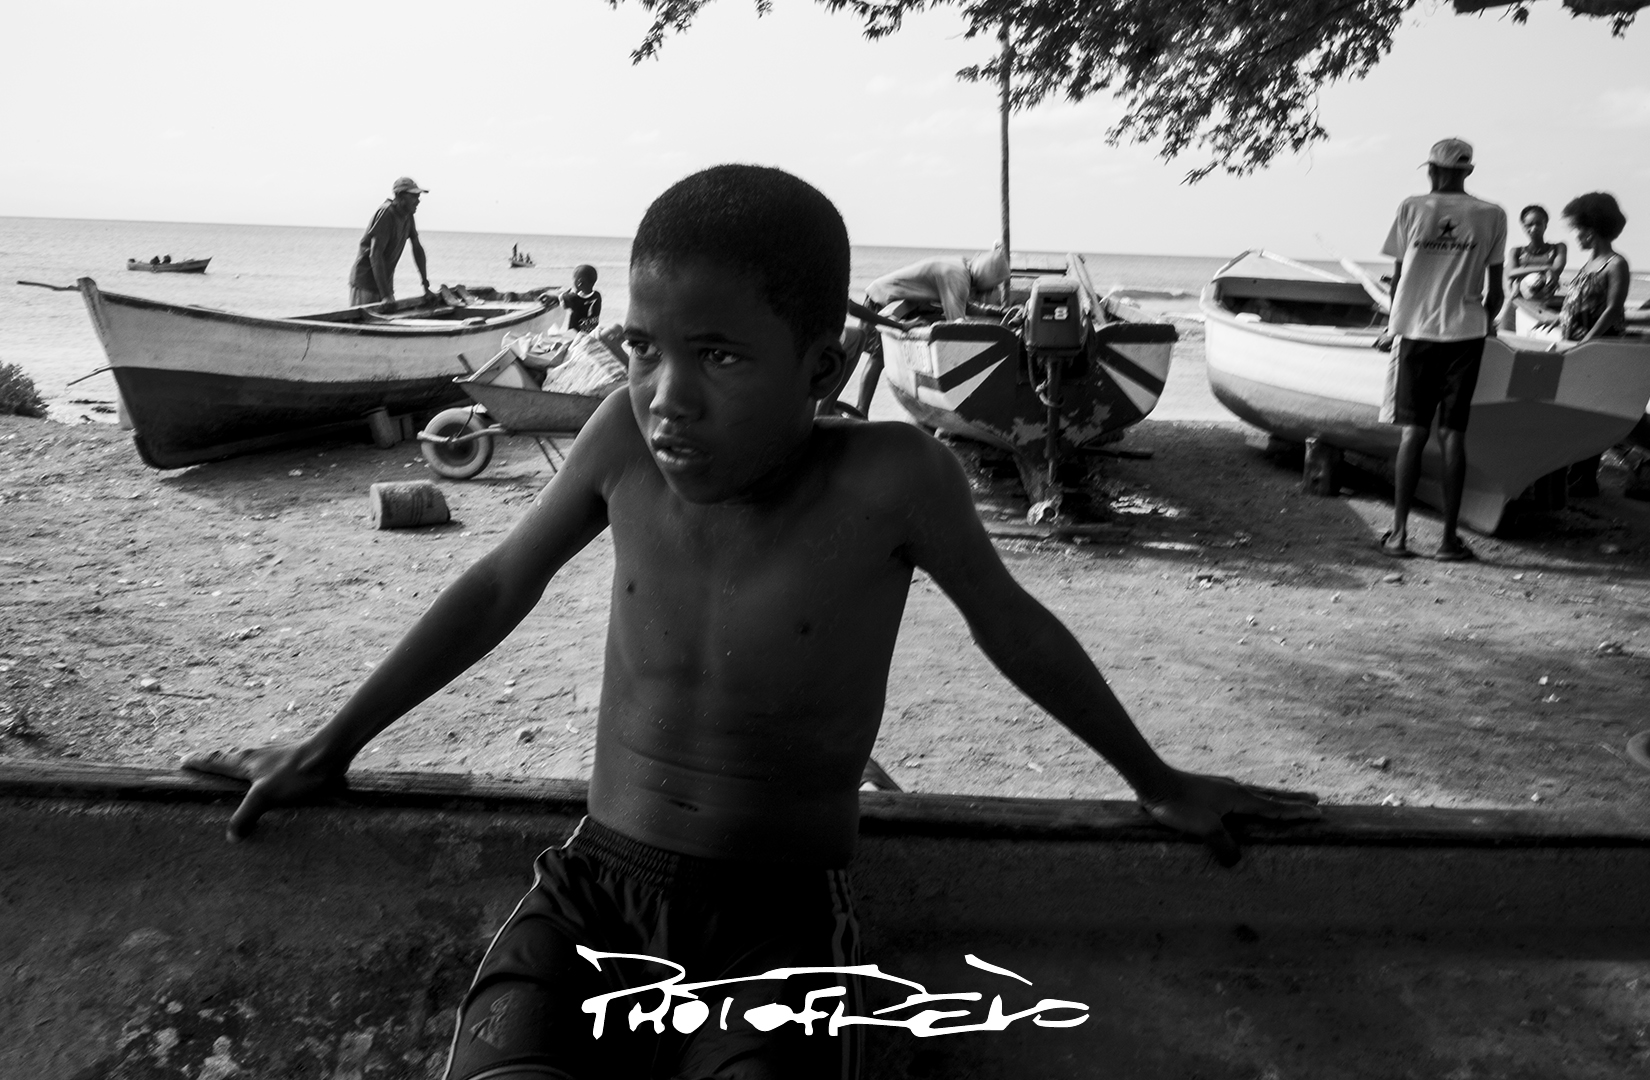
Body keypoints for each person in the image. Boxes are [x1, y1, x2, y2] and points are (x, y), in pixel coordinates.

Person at [183, 165, 1319, 1080]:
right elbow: (494, 587)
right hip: (593, 890)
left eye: (719, 356)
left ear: (821, 366)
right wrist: (330, 745)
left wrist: (1153, 778)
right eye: (644, 348)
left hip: (776, 924)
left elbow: (1014, 629)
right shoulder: (621, 443)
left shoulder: (893, 480)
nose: (666, 395)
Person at [1374, 138, 1506, 562]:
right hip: (1465, 333)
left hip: (1416, 331)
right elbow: (1497, 292)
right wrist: (1486, 323)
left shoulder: (1412, 208)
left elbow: (1398, 280)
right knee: (1453, 434)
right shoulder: (1492, 215)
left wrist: (1393, 325)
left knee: (1413, 432)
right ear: (1467, 171)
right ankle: (1448, 541)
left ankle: (1399, 535)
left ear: (1432, 169)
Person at [844, 244, 1013, 416]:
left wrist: (1000, 312)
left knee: (872, 356)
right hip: (882, 300)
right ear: (987, 278)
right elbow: (957, 323)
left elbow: (965, 306)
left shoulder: (959, 269)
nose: (992, 290)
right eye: (993, 286)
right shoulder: (956, 276)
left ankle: (858, 409)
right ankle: (861, 410)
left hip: (892, 299)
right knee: (877, 357)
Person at [1545, 192, 1632, 495]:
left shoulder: (1615, 264)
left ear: (1591, 229)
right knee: (1575, 411)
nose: (1576, 236)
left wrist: (1588, 342)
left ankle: (1584, 478)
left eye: (1578, 229)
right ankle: (1576, 474)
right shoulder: (1587, 265)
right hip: (1575, 348)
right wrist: (1558, 321)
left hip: (1598, 349)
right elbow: (1578, 303)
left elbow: (1613, 309)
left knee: (1591, 413)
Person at [349, 177, 431, 306]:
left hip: (385, 285)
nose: (418, 201)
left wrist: (425, 285)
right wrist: (385, 296)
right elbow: (375, 255)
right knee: (365, 318)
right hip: (366, 283)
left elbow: (417, 248)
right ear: (400, 196)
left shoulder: (408, 215)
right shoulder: (386, 213)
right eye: (414, 196)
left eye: (418, 196)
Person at [1496, 204, 1566, 331]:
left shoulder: (1558, 248)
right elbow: (1511, 272)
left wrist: (1523, 271)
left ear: (1545, 224)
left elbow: (1556, 269)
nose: (1534, 228)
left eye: (1538, 223)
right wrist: (1545, 269)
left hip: (1545, 303)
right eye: (1529, 225)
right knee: (1506, 335)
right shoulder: (1516, 251)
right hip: (1519, 302)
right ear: (1523, 227)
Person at [558, 264, 602, 332]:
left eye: (573, 279)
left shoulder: (573, 299)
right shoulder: (597, 295)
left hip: (576, 335)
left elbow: (561, 297)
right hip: (591, 332)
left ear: (580, 282)